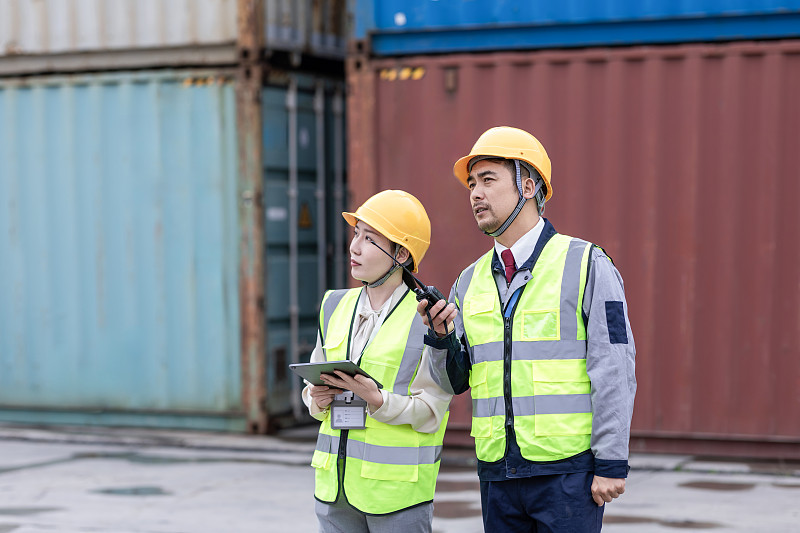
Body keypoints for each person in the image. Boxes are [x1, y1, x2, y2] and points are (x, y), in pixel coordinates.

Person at [419, 126, 636, 532]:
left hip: (567, 477)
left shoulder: (587, 264)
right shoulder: (468, 281)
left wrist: (611, 461)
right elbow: (455, 382)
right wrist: (439, 338)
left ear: (529, 185)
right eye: (471, 184)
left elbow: (615, 367)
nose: (475, 194)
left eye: (488, 180)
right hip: (497, 476)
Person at [301, 189, 452, 533]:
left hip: (395, 496)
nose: (354, 247)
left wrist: (378, 401)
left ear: (401, 253)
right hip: (334, 492)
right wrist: (316, 399)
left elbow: (433, 411)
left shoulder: (428, 319)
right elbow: (313, 392)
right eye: (356, 234)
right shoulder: (333, 306)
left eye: (369, 239)